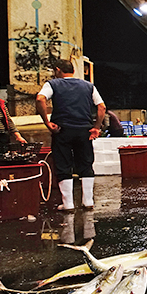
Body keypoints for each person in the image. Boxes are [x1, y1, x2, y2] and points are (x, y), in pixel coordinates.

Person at [37, 58, 105, 211]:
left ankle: (68, 204)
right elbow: (101, 107)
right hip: (84, 131)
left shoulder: (52, 84)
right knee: (86, 164)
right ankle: (88, 202)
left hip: (62, 130)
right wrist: (96, 127)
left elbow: (40, 98)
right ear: (73, 71)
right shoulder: (88, 86)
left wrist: (47, 122)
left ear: (58, 70)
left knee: (63, 164)